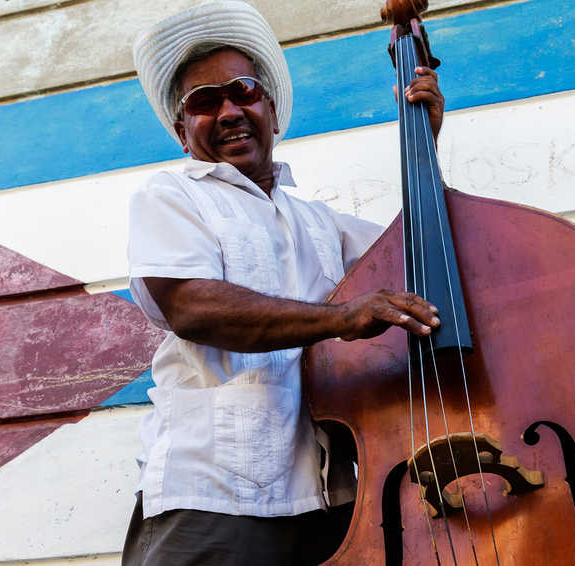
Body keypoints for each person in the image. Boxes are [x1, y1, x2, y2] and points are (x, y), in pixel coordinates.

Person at [122, 2, 445, 564]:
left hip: (333, 497)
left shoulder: (321, 223)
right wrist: (342, 318)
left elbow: (421, 262)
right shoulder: (172, 196)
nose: (227, 111)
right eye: (203, 102)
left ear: (271, 110)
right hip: (214, 491)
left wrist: (425, 144)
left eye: (243, 91)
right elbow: (194, 307)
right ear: (182, 131)